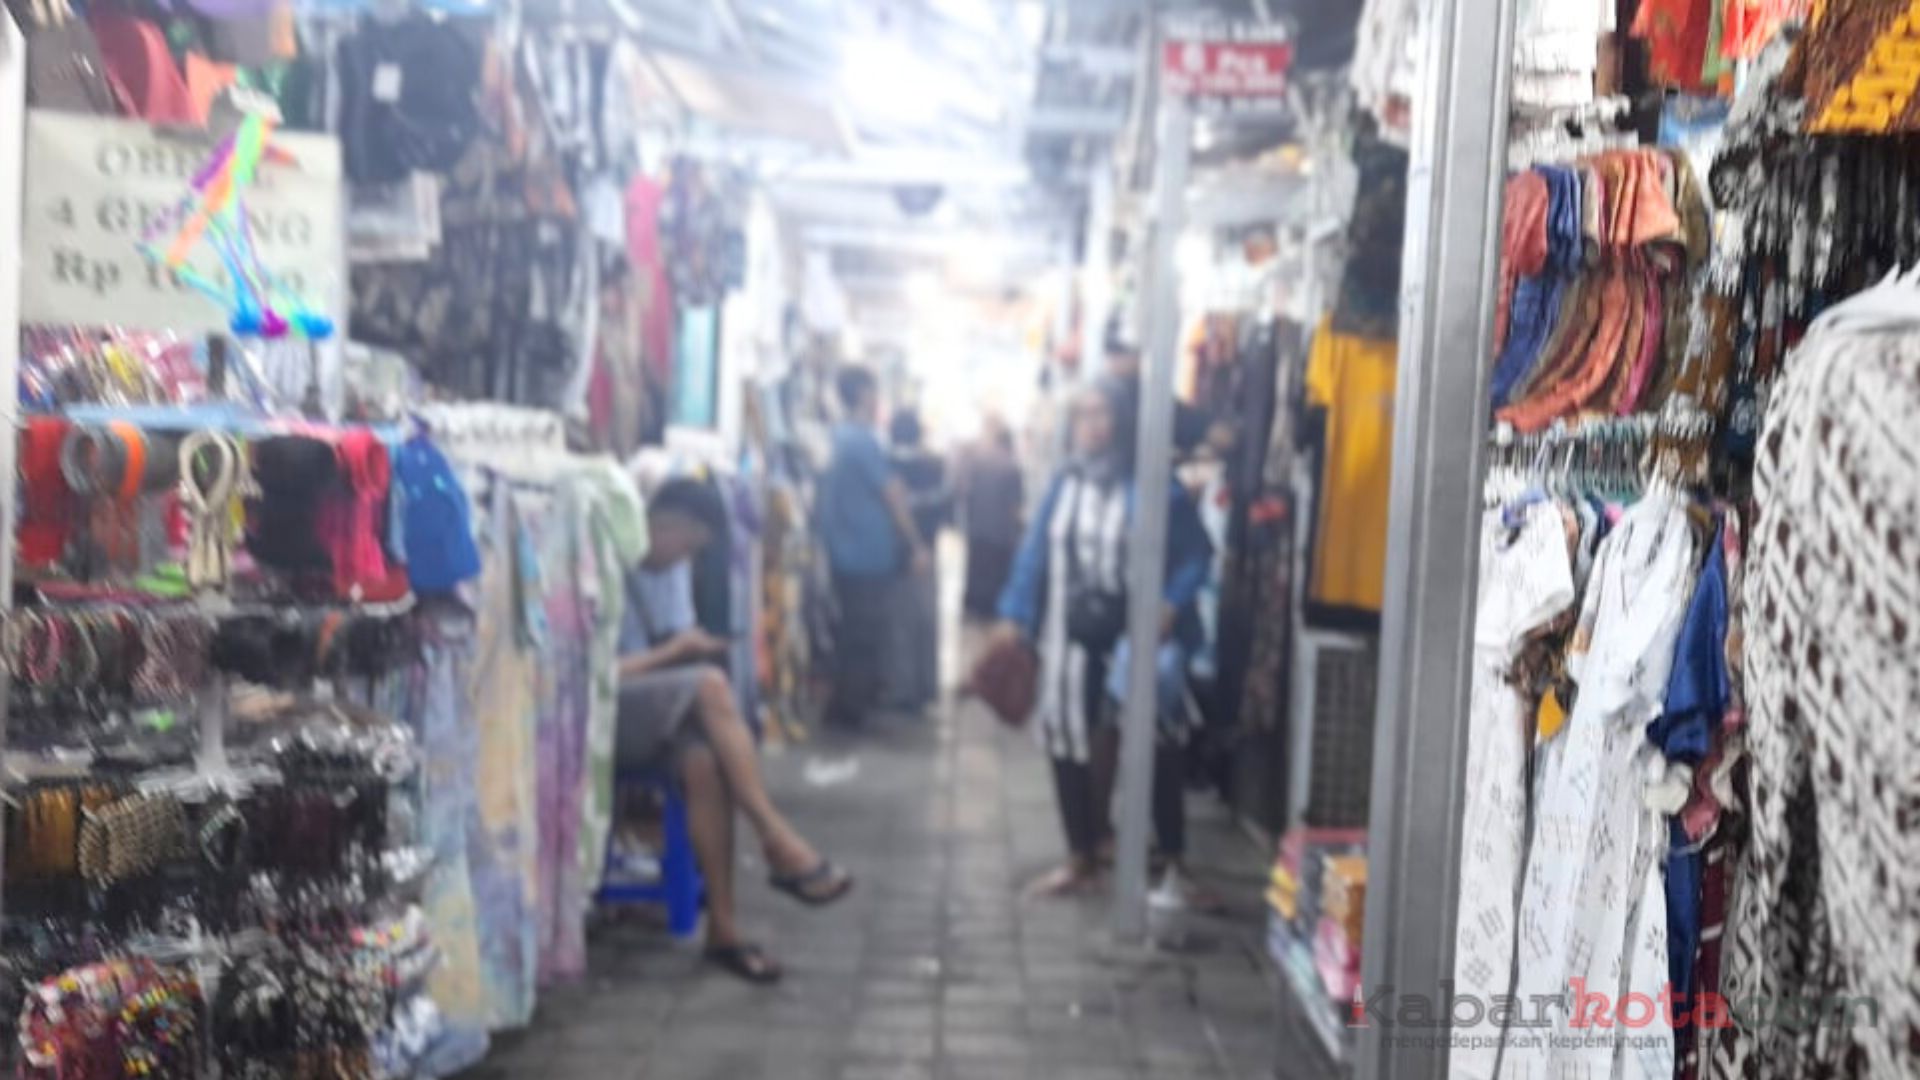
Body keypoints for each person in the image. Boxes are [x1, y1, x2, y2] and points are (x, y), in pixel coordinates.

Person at [616, 478, 853, 983]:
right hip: (602, 716)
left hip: (650, 707)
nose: (684, 561)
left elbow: (673, 637)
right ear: (661, 526)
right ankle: (775, 837)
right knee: (710, 685)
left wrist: (686, 648)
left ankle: (723, 931)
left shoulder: (668, 572)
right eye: (685, 546)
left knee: (705, 763)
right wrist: (674, 654)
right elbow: (588, 679)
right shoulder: (603, 561)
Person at [992, 376, 1214, 896]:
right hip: (1072, 636)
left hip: (1137, 635)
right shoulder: (1064, 484)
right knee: (1068, 738)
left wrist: (1171, 604)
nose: (1091, 426)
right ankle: (1081, 855)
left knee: (1155, 740)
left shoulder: (1154, 486)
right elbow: (1035, 555)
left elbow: (1196, 554)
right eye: (1083, 415)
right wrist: (1014, 614)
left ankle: (1174, 860)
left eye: (1102, 413)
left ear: (1121, 420)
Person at [816, 367, 931, 729]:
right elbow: (892, 495)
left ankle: (845, 704)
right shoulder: (862, 441)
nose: (877, 397)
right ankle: (850, 710)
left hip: (842, 551)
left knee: (850, 630)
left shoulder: (837, 436)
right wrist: (916, 544)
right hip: (865, 555)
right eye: (874, 390)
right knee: (864, 635)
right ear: (863, 394)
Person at [886, 408, 950, 714]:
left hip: (897, 555)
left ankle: (904, 689)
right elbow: (944, 507)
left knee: (901, 626)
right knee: (927, 621)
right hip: (928, 551)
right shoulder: (935, 465)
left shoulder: (887, 464)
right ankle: (926, 686)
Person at [956, 415, 1024, 620]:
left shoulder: (977, 461)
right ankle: (990, 616)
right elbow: (1015, 507)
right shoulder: (1012, 467)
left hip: (977, 529)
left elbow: (964, 491)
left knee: (975, 573)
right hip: (1001, 534)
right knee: (995, 579)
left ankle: (971, 611)